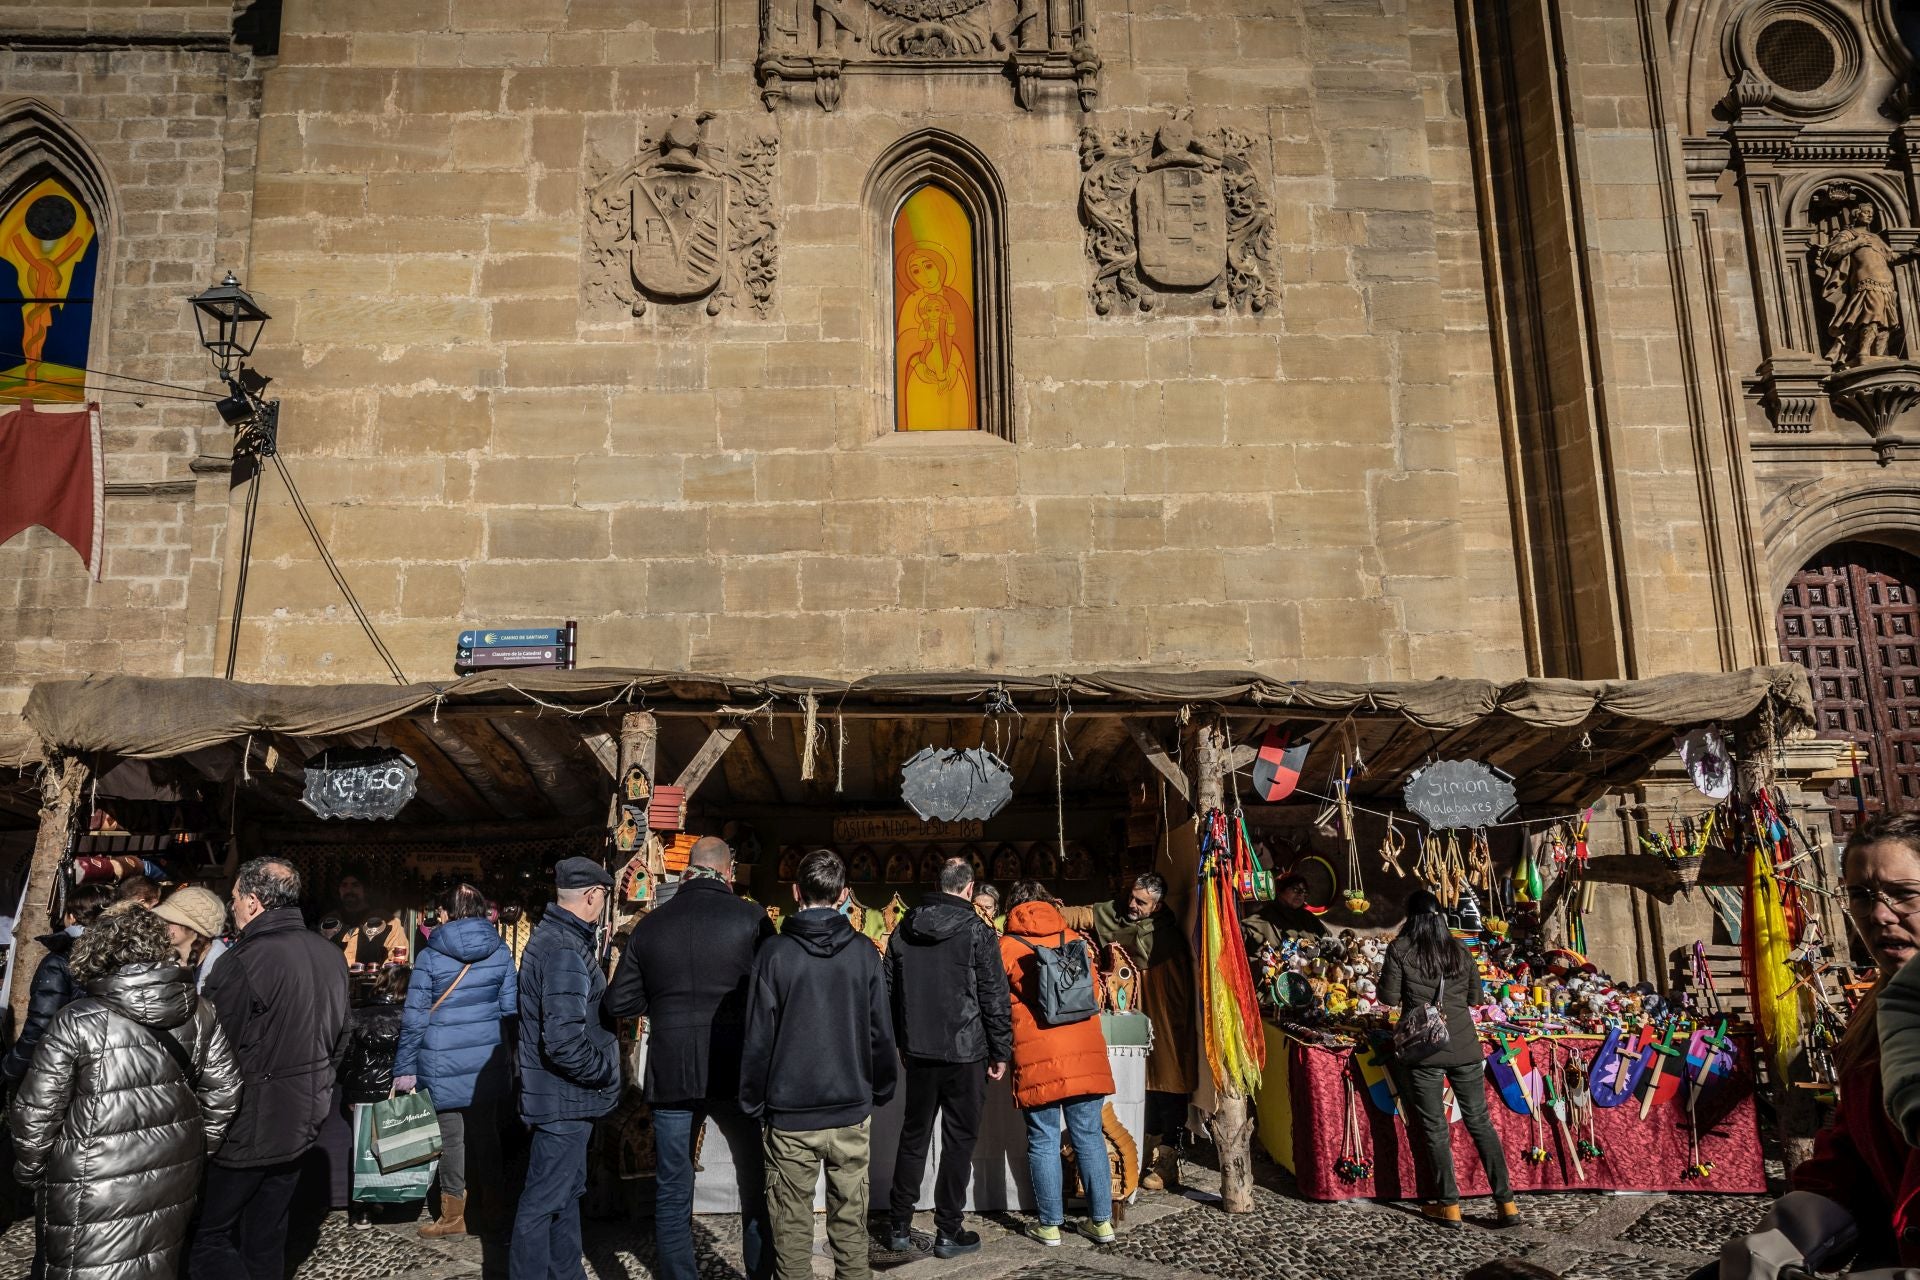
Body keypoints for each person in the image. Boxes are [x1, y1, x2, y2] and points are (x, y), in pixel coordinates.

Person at [1713, 810, 1920, 1278]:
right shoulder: (1876, 1016)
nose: (1879, 915)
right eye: (1862, 897)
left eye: (1904, 895)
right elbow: (1854, 1144)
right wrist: (1793, 1230)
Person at [12, 905, 243, 1280]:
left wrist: (33, 1173)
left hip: (91, 1181)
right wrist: (195, 1149)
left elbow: (36, 1113)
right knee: (155, 1263)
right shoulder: (200, 1010)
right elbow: (225, 1090)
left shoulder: (77, 1020)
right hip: (172, 1172)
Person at [605, 836, 773, 1280]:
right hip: (735, 1068)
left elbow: (619, 1003)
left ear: (686, 872)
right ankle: (759, 1272)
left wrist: (659, 998)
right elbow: (773, 996)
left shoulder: (651, 925)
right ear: (728, 872)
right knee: (754, 1181)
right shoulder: (752, 919)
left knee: (673, 1186)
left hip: (672, 1069)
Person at [739, 850, 897, 1280]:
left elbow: (758, 1037)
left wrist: (752, 1099)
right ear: (845, 895)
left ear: (795, 892)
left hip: (790, 1112)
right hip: (849, 1107)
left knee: (790, 1229)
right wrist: (883, 1086)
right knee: (851, 1227)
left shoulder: (773, 954)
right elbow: (880, 1030)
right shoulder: (864, 952)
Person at [193, 857, 351, 1280]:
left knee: (207, 1238)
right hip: (301, 1116)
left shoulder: (246, 959)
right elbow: (341, 1040)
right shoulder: (329, 954)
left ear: (254, 902)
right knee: (266, 1234)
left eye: (235, 898)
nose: (232, 907)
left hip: (247, 1126)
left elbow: (213, 1051)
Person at [883, 856, 1013, 1258]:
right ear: (970, 889)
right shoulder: (978, 929)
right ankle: (947, 1230)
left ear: (939, 884)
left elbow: (889, 992)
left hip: (921, 1052)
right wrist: (1000, 1049)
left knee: (913, 1137)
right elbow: (994, 994)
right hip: (966, 1052)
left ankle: (900, 1225)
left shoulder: (905, 928)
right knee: (958, 1142)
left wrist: (903, 1042)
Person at [1378, 888, 1517, 1229]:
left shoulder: (1401, 949)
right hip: (1466, 1047)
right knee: (1480, 1122)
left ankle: (1449, 1205)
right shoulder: (1459, 950)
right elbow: (1475, 997)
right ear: (1440, 916)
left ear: (1410, 918)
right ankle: (1507, 1204)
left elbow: (1389, 998)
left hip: (1425, 1049)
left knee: (1434, 1128)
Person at [510, 858, 620, 1280]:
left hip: (562, 1101)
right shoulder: (564, 949)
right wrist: (606, 1070)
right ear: (594, 896)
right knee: (541, 1204)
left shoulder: (557, 939)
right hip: (564, 1102)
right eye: (604, 897)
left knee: (564, 1196)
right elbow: (564, 1042)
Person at [393, 882, 517, 1241]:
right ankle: (494, 1210)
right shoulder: (501, 950)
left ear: (447, 914)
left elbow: (415, 1018)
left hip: (440, 1061)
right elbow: (511, 1011)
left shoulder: (431, 955)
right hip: (486, 1062)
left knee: (450, 1139)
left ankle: (452, 1216)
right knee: (487, 1136)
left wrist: (404, 1068)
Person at [1063, 872, 1196, 1191]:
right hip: (1129, 1011)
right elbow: (1083, 913)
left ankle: (1168, 1160)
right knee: (1140, 1084)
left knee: (1168, 1083)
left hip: (1162, 1013)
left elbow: (1177, 989)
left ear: (1158, 905)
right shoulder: (1116, 912)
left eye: (1141, 902)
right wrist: (1044, 912)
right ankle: (1144, 1148)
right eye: (1131, 897)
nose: (1132, 905)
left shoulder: (1167, 937)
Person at [1002, 879, 1117, 1247]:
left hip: (1039, 1060)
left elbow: (994, 1000)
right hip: (1085, 1056)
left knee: (1043, 1140)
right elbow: (1096, 993)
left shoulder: (1005, 946)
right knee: (1089, 1138)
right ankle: (1101, 1222)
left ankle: (1050, 1226)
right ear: (1049, 903)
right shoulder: (1075, 940)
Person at [0, 883, 113, 1086]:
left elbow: (41, 1025)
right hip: (106, 1062)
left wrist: (12, 1069)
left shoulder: (59, 962)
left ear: (72, 916)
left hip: (61, 1068)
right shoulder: (120, 953)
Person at [340, 966, 409, 1229]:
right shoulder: (409, 1017)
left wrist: (348, 1087)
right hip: (393, 1090)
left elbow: (345, 1058)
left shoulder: (358, 1016)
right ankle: (388, 1198)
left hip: (361, 1092)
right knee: (393, 1146)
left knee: (363, 1151)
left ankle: (362, 1210)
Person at [154, 885, 229, 992]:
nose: (162, 924)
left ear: (194, 928)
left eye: (169, 920)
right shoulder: (165, 963)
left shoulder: (222, 970)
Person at [1243, 873, 1331, 944]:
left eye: (1304, 892)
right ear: (1280, 889)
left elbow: (1328, 939)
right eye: (1296, 889)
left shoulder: (1308, 918)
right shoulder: (1260, 919)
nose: (1300, 895)